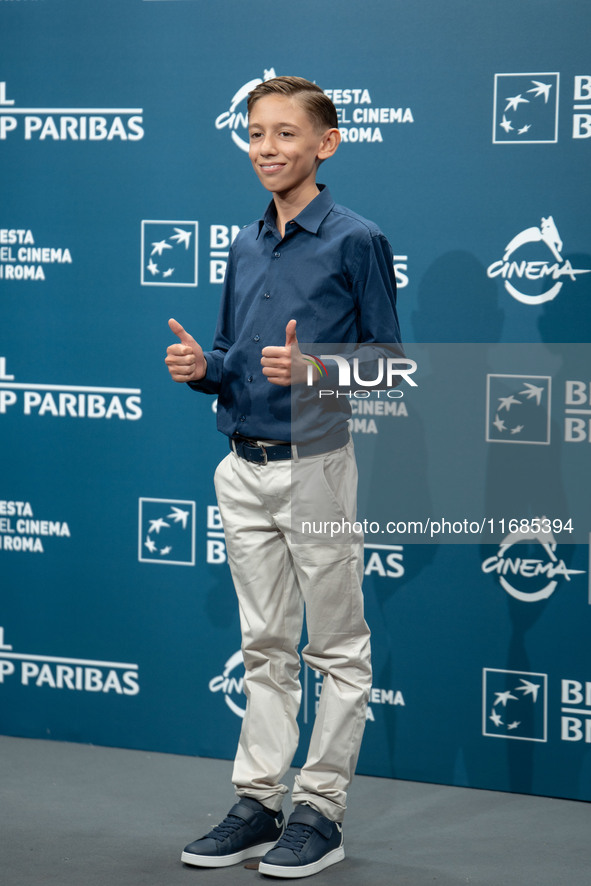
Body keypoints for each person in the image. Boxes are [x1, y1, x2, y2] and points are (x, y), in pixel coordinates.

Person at [165, 76, 400, 879]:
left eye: (285, 134)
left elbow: (390, 371)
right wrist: (205, 369)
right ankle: (260, 801)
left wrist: (316, 368)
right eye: (256, 134)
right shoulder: (243, 242)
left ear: (324, 145)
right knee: (265, 645)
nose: (268, 148)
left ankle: (321, 812)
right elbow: (235, 358)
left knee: (334, 649)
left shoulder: (355, 239)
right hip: (241, 466)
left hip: (317, 468)